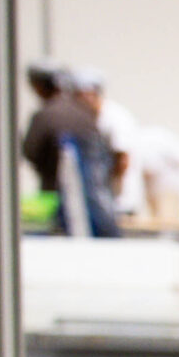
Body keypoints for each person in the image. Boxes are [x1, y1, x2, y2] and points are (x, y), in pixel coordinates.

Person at [20, 61, 119, 236]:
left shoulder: (45, 115)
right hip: (97, 208)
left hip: (61, 203)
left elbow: (30, 152)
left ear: (39, 87)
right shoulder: (84, 112)